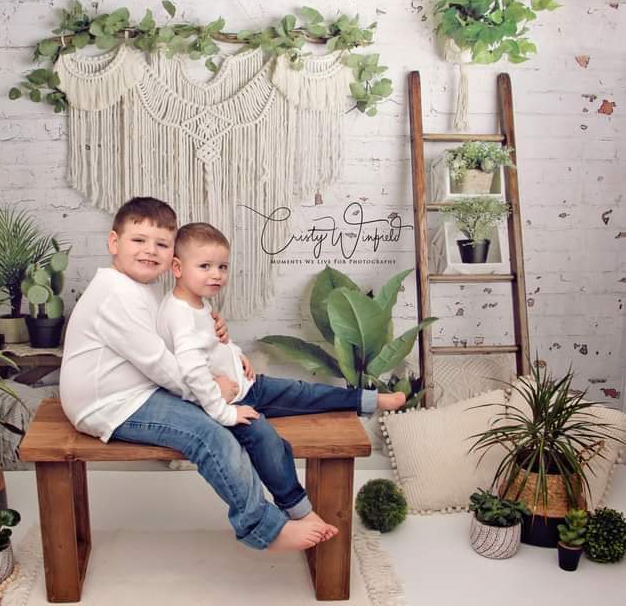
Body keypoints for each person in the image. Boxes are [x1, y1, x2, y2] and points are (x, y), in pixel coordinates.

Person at [60, 197, 329, 551]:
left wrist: (220, 340)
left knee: (246, 423)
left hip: (139, 390)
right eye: (138, 240)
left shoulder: (141, 289)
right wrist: (213, 393)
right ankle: (264, 528)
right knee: (209, 434)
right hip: (107, 404)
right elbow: (160, 363)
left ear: (173, 255)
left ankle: (296, 507)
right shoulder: (115, 295)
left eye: (161, 244)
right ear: (114, 242)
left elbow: (176, 342)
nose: (150, 251)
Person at [156, 222, 406, 532]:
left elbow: (214, 344)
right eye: (205, 266)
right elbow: (191, 371)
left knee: (302, 392)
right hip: (224, 406)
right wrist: (225, 413)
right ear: (177, 268)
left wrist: (237, 355)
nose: (216, 274)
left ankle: (367, 399)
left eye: (222, 266)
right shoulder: (179, 314)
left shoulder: (199, 302)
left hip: (247, 387)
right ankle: (297, 510)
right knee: (267, 440)